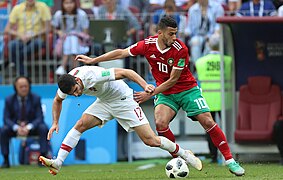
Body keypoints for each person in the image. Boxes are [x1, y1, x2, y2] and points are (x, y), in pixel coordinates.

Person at [75, 16, 245, 176]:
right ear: (160, 33)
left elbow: (173, 80)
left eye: (175, 33)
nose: (174, 37)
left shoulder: (181, 49)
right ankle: (178, 158)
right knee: (160, 123)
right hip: (166, 93)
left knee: (207, 121)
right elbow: (121, 52)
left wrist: (150, 94)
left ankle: (229, 160)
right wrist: (93, 60)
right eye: (171, 34)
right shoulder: (147, 45)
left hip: (187, 89)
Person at [38, 65, 202, 175]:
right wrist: (55, 122)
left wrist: (145, 86)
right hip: (104, 102)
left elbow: (126, 72)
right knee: (80, 125)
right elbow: (57, 101)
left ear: (78, 81)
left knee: (150, 140)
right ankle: (58, 162)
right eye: (73, 94)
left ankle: (184, 154)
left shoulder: (93, 76)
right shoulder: (67, 84)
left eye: (76, 90)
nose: (76, 95)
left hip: (123, 99)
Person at [195, 34, 232, 163]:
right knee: (227, 129)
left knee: (210, 130)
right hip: (225, 100)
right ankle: (228, 155)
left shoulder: (200, 61)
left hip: (207, 100)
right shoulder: (228, 60)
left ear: (209, 45)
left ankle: (214, 156)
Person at [0, 76, 49, 168]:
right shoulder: (9, 100)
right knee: (3, 130)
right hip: (15, 128)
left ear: (29, 86)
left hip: (31, 128)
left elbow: (39, 118)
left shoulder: (36, 98)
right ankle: (6, 160)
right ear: (16, 87)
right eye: (21, 87)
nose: (24, 89)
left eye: (26, 86)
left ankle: (42, 159)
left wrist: (28, 127)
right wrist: (16, 127)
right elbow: (6, 119)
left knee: (43, 127)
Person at [4, 0, 51, 75]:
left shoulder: (43, 6)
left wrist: (33, 35)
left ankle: (12, 61)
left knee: (36, 43)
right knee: (11, 45)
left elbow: (48, 28)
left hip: (37, 38)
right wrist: (20, 35)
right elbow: (7, 29)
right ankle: (24, 74)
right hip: (21, 39)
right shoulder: (17, 8)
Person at [52, 0, 91, 75]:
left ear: (75, 3)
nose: (69, 5)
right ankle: (75, 71)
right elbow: (53, 28)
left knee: (72, 38)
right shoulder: (58, 14)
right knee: (70, 39)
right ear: (62, 4)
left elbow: (85, 32)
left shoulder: (81, 14)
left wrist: (74, 35)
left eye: (71, 2)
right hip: (63, 42)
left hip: (80, 42)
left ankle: (62, 66)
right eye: (66, 3)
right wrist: (58, 32)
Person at [185, 0, 224, 72]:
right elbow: (189, 28)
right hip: (197, 35)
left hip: (212, 35)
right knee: (195, 41)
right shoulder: (192, 9)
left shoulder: (218, 8)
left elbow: (219, 26)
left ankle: (205, 69)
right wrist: (185, 33)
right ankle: (198, 68)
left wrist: (215, 33)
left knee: (211, 42)